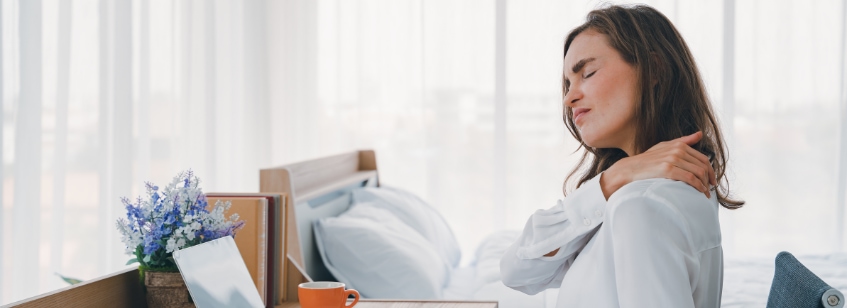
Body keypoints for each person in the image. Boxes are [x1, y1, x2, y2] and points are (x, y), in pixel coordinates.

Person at [499, 4, 743, 308]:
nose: (568, 98)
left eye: (587, 73)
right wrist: (614, 177)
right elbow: (517, 270)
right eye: (567, 84)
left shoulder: (641, 204)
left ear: (653, 70)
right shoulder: (633, 195)